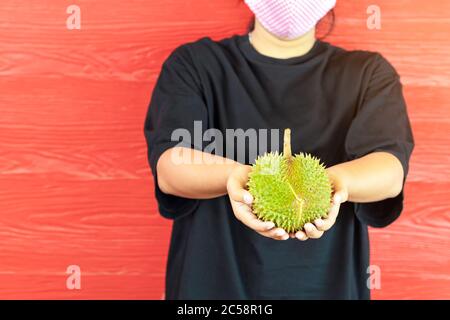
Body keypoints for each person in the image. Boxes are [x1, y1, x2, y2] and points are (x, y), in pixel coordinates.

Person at [143, 0, 414, 299]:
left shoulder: (369, 73)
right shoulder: (194, 64)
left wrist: (337, 185)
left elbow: (389, 170)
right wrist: (237, 177)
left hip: (327, 285)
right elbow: (170, 166)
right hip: (211, 286)